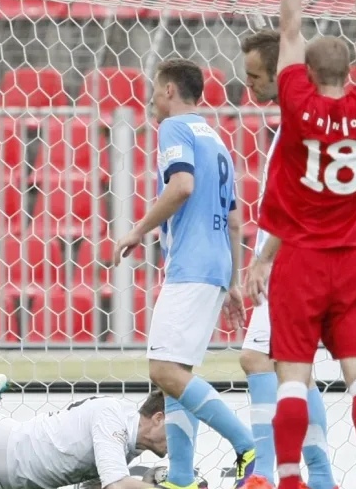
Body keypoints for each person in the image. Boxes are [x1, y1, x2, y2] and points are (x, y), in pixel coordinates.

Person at [240, 0, 356, 489]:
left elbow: (288, 28)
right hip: (351, 259)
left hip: (299, 261)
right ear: (351, 74)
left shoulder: (296, 108)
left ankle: (287, 479)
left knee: (292, 381)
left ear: (304, 73)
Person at [112, 59, 257, 489]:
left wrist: (138, 229)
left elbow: (181, 187)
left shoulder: (174, 128)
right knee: (178, 374)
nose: (153, 101)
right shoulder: (217, 140)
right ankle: (180, 478)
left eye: (156, 91)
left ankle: (248, 444)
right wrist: (231, 282)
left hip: (190, 266)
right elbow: (234, 219)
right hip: (215, 268)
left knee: (163, 371)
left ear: (171, 90)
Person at [238, 30, 337, 489]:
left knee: (257, 357)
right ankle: (321, 477)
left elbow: (293, 200)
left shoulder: (299, 122)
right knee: (294, 369)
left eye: (256, 76)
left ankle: (261, 475)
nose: (250, 86)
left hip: (290, 257)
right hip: (304, 254)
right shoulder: (299, 119)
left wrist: (264, 260)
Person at [0, 384, 167, 489]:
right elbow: (116, 485)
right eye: (182, 428)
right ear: (159, 418)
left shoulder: (127, 448)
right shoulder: (113, 415)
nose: (185, 439)